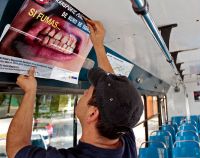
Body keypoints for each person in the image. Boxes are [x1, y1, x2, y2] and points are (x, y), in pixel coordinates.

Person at [6, 19, 144, 158]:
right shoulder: (121, 130)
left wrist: (30, 93)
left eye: (87, 92)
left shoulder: (124, 134)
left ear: (92, 114)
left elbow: (16, 149)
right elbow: (115, 92)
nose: (84, 92)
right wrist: (98, 46)